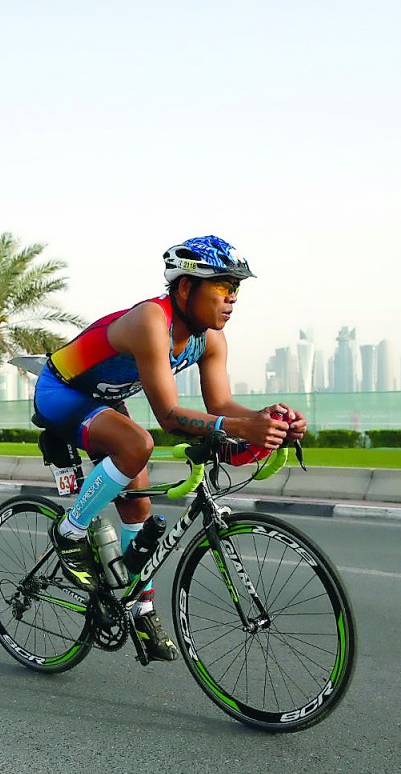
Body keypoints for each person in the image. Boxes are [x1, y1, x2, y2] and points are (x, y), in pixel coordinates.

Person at [32, 235, 308, 661]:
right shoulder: (150, 321)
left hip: (104, 400)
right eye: (222, 286)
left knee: (139, 509)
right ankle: (70, 531)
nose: (232, 298)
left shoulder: (210, 339)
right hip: (61, 390)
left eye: (237, 288)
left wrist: (265, 418)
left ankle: (137, 607)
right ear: (184, 288)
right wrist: (243, 427)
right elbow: (169, 416)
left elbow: (221, 406)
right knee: (138, 443)